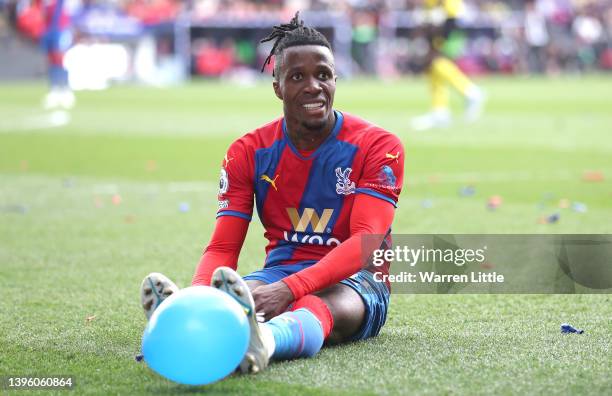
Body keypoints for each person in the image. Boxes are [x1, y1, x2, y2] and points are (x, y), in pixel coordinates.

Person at [140, 12, 404, 374]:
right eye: (298, 76)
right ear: (277, 86)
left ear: (335, 81)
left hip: (358, 282)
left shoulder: (378, 146)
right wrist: (202, 292)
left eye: (323, 75)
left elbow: (365, 243)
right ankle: (184, 316)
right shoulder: (248, 151)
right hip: (279, 273)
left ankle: (266, 342)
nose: (313, 86)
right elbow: (222, 248)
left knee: (315, 303)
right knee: (228, 302)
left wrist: (290, 289)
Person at [411, 0, 485, 131]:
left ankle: (469, 91)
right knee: (434, 68)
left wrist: (441, 40)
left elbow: (453, 18)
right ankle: (440, 111)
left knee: (438, 63)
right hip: (439, 33)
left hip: (450, 32)